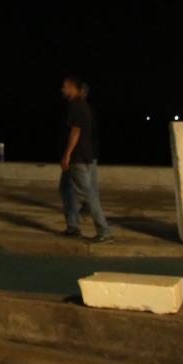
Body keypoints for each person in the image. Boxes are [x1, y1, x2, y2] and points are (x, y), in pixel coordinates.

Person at [58, 77, 113, 243]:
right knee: (65, 189)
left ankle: (104, 231)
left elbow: (76, 132)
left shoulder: (76, 105)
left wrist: (67, 154)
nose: (62, 89)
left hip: (78, 158)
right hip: (85, 156)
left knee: (88, 194)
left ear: (73, 88)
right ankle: (73, 226)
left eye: (65, 87)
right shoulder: (84, 106)